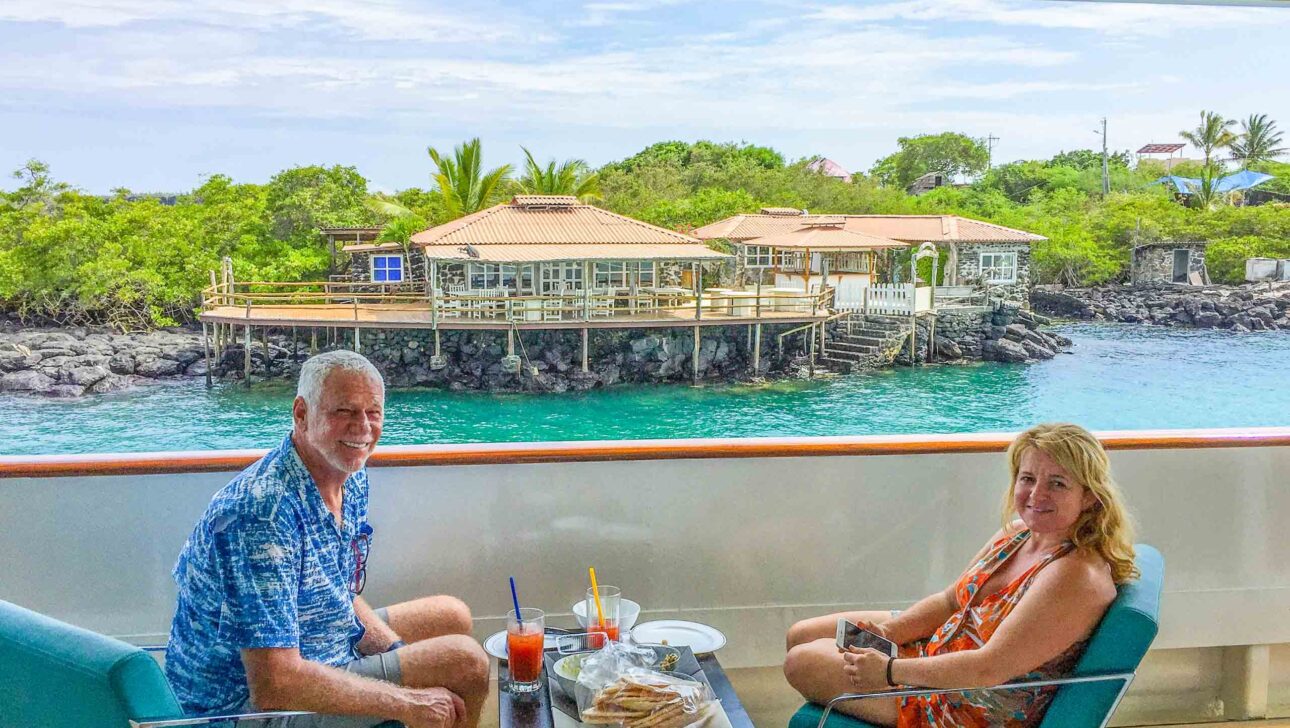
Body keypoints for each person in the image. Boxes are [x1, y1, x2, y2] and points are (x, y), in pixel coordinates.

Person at [164, 350, 488, 728]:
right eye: (344, 411)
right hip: (244, 709)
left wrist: (398, 654)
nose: (363, 428)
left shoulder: (346, 476)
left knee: (451, 615)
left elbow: (341, 592)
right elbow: (274, 685)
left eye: (373, 412)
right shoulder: (261, 515)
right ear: (301, 414)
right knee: (465, 662)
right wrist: (407, 701)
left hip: (321, 644)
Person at [783, 423, 1138, 727]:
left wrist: (890, 670)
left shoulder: (1073, 575)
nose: (1036, 494)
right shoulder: (1016, 535)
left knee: (803, 660)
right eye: (1028, 478)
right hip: (942, 650)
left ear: (1090, 497)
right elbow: (951, 600)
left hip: (964, 701)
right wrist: (893, 632)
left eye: (1058, 483)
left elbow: (988, 669)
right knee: (803, 633)